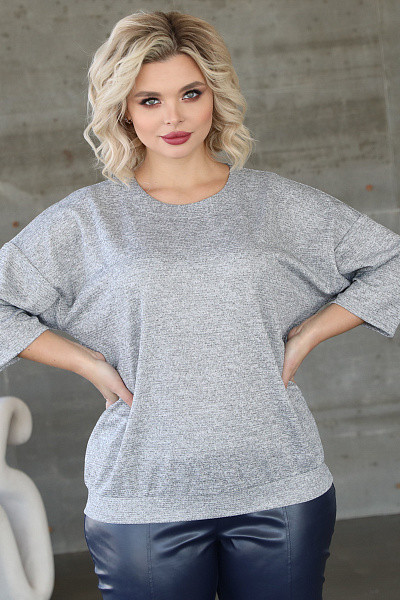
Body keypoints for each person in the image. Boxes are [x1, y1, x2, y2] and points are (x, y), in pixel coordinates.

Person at [1, 9, 399, 600]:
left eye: (191, 93)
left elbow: (392, 264)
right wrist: (88, 363)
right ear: (123, 110)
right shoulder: (90, 220)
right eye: (150, 100)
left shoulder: (273, 205)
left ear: (216, 95)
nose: (174, 117)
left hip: (279, 485)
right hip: (142, 492)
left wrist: (310, 332)